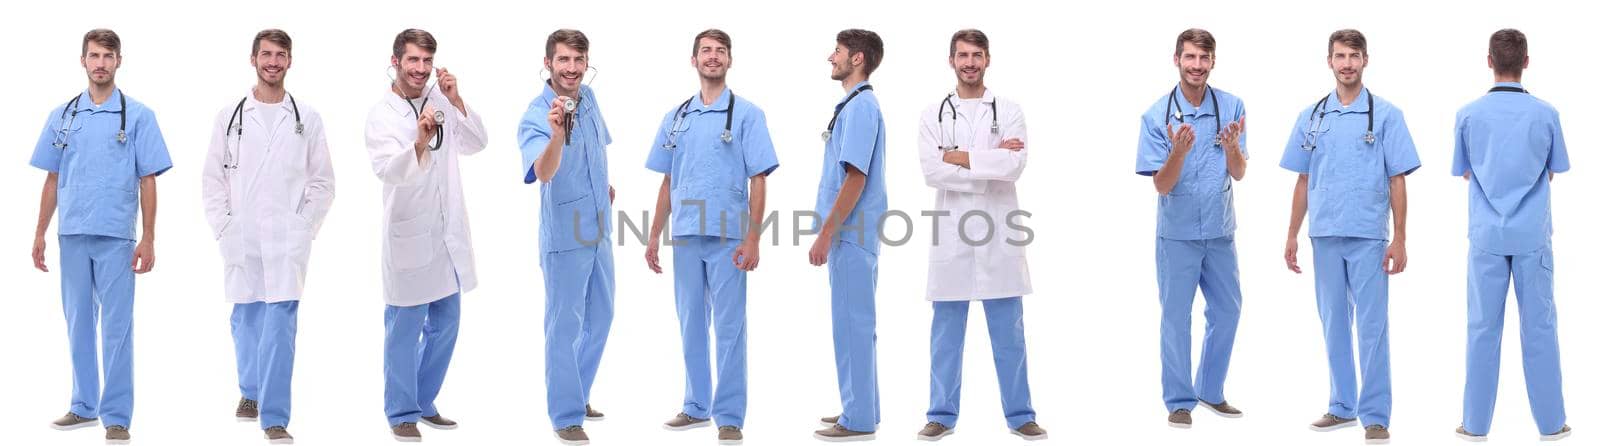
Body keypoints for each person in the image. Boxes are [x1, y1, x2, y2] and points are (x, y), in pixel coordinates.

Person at [31, 28, 172, 445]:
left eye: (108, 56)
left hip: (115, 236)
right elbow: (52, 178)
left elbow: (148, 179)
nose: (101, 63)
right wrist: (39, 232)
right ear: (83, 61)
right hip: (72, 232)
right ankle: (83, 405)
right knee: (77, 324)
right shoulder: (64, 115)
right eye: (94, 55)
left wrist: (148, 238)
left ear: (118, 61)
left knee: (116, 328)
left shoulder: (139, 116)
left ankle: (116, 416)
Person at [1280, 29, 1419, 445]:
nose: (1347, 63)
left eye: (1353, 56)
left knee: (1372, 327)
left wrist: (1401, 238)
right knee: (1334, 324)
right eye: (1339, 56)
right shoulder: (1312, 115)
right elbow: (1303, 179)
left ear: (1365, 60)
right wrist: (1291, 234)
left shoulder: (1387, 115)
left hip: (1368, 237)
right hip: (1323, 233)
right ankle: (1342, 406)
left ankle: (1375, 415)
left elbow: (1397, 179)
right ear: (1329, 61)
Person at [642, 29, 778, 446]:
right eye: (706, 51)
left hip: (728, 237)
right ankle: (696, 405)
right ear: (694, 60)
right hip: (684, 234)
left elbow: (759, 180)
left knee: (731, 327)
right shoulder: (677, 116)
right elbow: (668, 180)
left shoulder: (748, 114)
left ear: (730, 60)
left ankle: (730, 415)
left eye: (720, 51)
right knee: (690, 325)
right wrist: (653, 236)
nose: (713, 57)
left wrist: (753, 239)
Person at [201, 28, 334, 445]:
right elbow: (212, 179)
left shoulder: (307, 118)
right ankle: (250, 391)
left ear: (290, 61)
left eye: (280, 55)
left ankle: (274, 416)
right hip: (242, 235)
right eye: (266, 54)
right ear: (253, 59)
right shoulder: (230, 115)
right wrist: (224, 227)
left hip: (286, 241)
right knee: (245, 322)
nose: (273, 61)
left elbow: (323, 183)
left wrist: (303, 227)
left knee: (280, 329)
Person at [914, 28, 1045, 442]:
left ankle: (1021, 415)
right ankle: (941, 414)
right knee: (945, 339)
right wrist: (988, 162)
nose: (970, 62)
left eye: (977, 55)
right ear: (951, 61)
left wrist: (960, 159)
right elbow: (931, 171)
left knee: (1010, 336)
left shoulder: (1008, 110)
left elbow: (1013, 166)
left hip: (999, 235)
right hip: (951, 234)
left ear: (988, 60)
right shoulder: (932, 113)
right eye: (962, 55)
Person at [363, 28, 487, 443]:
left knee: (447, 323)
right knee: (404, 329)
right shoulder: (382, 114)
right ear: (396, 61)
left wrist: (456, 100)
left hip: (446, 234)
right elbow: (386, 169)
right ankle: (401, 411)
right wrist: (417, 141)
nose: (420, 69)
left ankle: (423, 398)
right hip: (409, 236)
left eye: (427, 62)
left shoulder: (440, 101)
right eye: (413, 61)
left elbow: (476, 143)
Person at [1451, 28, 1571, 443]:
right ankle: (1552, 424)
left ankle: (1475, 424)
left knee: (1482, 328)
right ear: (1526, 61)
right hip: (1531, 236)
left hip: (1486, 237)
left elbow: (1465, 171)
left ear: (1489, 61)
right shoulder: (1546, 114)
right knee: (1539, 327)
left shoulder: (1467, 115)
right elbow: (1553, 170)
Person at [1133, 28, 1247, 429]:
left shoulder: (1231, 107)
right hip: (1177, 234)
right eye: (1190, 58)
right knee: (1176, 316)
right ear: (1176, 60)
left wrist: (1232, 147)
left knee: (1229, 310)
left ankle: (1211, 390)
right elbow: (1161, 185)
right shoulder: (1156, 116)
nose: (1197, 65)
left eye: (1204, 58)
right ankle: (1180, 400)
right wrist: (1178, 152)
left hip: (1219, 231)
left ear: (1213, 61)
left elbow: (1239, 172)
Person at [517, 28, 616, 446]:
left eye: (578, 60)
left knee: (601, 317)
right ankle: (565, 415)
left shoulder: (589, 99)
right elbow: (543, 172)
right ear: (548, 64)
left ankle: (577, 392)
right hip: (564, 235)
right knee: (564, 325)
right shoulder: (535, 114)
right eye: (563, 60)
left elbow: (598, 146)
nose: (572, 68)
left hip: (599, 227)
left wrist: (604, 185)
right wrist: (556, 134)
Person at [810, 28, 887, 443]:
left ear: (857, 58)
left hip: (849, 235)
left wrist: (825, 235)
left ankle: (858, 419)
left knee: (853, 324)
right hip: (853, 235)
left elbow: (855, 179)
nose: (830, 57)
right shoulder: (855, 106)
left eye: (837, 51)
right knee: (855, 323)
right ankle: (863, 407)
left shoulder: (860, 109)